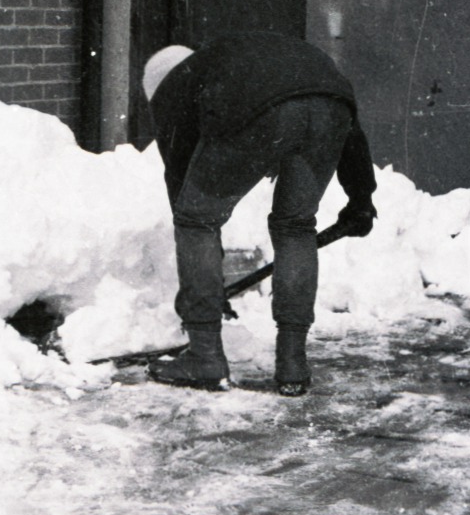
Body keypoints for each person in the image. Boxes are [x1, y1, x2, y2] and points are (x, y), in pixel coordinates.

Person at [142, 37, 378, 396]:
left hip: (263, 107)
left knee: (196, 221)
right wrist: (361, 198)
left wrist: (205, 282)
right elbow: (351, 133)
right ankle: (292, 364)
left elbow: (182, 179)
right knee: (295, 225)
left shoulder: (173, 84)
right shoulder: (228, 60)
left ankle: (204, 355)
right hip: (331, 101)